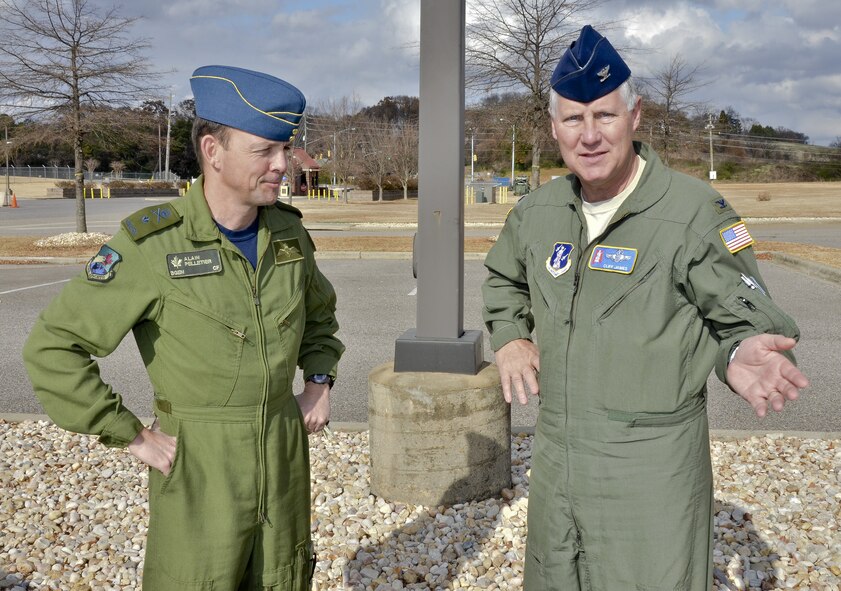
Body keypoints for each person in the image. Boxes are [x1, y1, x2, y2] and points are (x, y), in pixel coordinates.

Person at [482, 26, 809, 590]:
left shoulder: (693, 212)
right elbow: (503, 279)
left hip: (650, 467)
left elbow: (742, 311)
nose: (589, 136)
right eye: (573, 120)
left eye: (604, 116)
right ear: (554, 128)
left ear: (636, 116)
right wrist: (511, 336)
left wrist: (739, 349)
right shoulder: (537, 213)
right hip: (557, 461)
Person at [23, 65, 345, 590]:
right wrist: (129, 433)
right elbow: (52, 349)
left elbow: (319, 318)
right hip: (199, 460)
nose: (283, 165)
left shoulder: (288, 235)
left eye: (285, 149)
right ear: (213, 151)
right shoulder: (153, 245)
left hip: (284, 449)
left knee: (283, 577)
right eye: (265, 151)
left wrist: (318, 382)